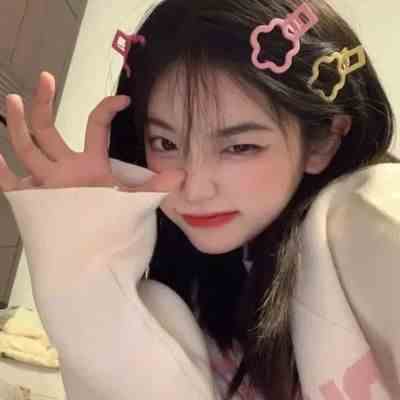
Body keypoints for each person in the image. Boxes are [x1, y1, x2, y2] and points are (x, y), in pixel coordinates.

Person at [0, 0, 399, 399]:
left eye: (240, 146)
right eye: (166, 143)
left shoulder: (360, 214)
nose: (194, 190)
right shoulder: (179, 290)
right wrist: (85, 260)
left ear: (322, 142)